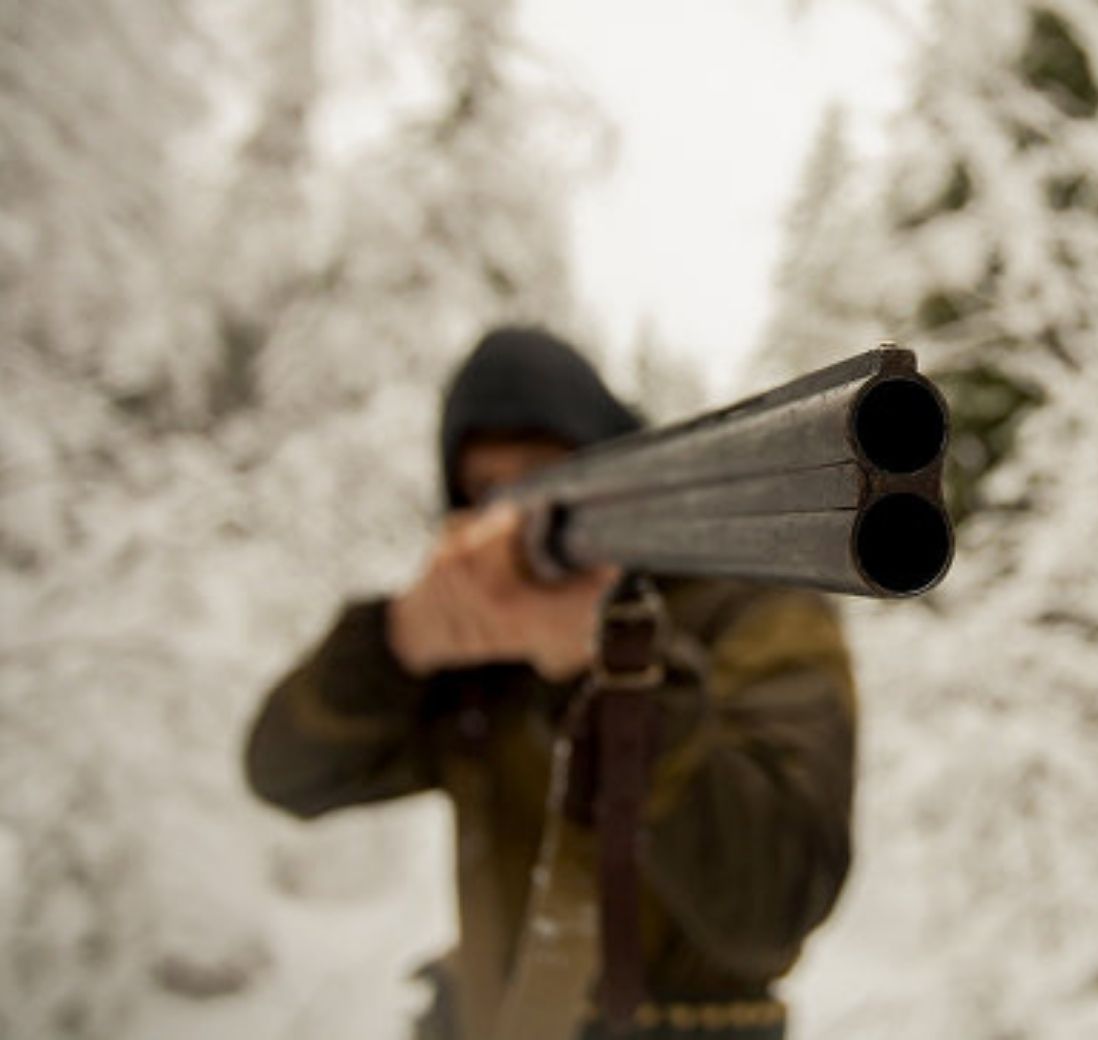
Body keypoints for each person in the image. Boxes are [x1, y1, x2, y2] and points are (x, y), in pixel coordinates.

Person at [244, 327, 857, 1040]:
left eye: (541, 476)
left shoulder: (754, 607)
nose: (511, 516)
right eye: (483, 490)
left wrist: (610, 665)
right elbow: (284, 773)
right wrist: (396, 642)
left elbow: (774, 900)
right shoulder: (479, 655)